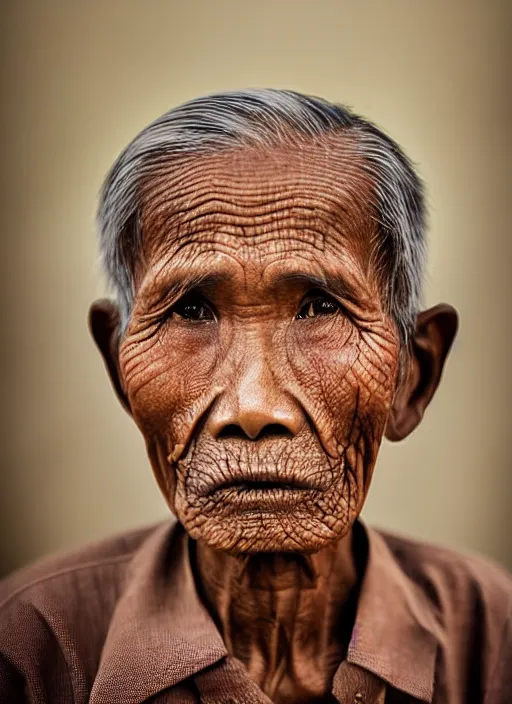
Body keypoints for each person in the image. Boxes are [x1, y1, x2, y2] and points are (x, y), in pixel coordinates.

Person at [1, 89, 511, 704]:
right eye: (190, 310)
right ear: (119, 369)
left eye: (321, 307)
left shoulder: (494, 639)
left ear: (413, 374)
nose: (253, 407)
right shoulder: (28, 645)